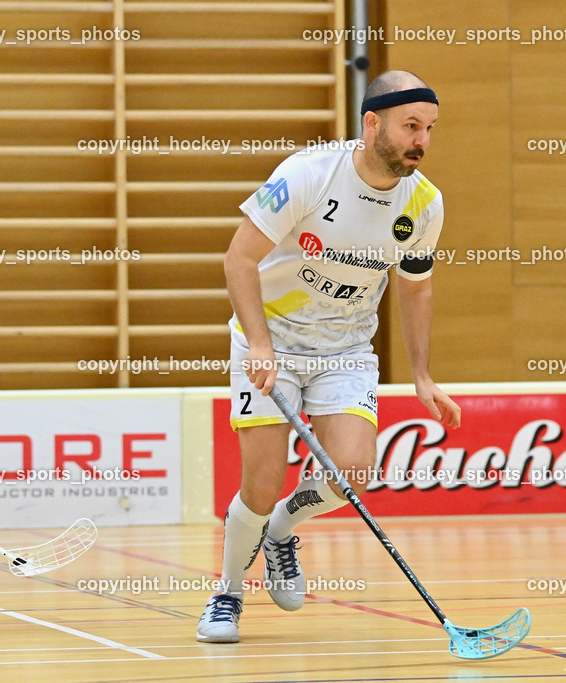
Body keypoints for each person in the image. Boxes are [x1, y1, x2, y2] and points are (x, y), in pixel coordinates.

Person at [197, 71, 462, 643]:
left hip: (345, 349)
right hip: (272, 340)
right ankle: (227, 594)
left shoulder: (424, 203)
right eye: (410, 126)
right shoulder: (309, 174)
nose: (421, 140)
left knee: (354, 474)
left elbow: (415, 287)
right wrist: (259, 343)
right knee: (261, 484)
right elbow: (238, 259)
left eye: (429, 128)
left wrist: (421, 375)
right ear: (372, 123)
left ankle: (281, 529)